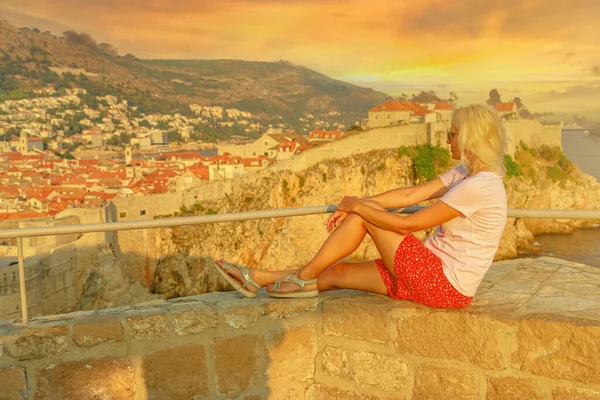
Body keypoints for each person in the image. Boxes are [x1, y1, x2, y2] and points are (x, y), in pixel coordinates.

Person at [215, 104, 508, 308]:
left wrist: (356, 206)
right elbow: (410, 195)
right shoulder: (465, 173)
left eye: (453, 134)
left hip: (442, 282)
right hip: (431, 273)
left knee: (364, 218)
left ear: (470, 137)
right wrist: (360, 203)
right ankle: (258, 278)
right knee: (336, 274)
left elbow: (408, 224)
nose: (448, 140)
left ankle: (302, 277)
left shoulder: (478, 187)